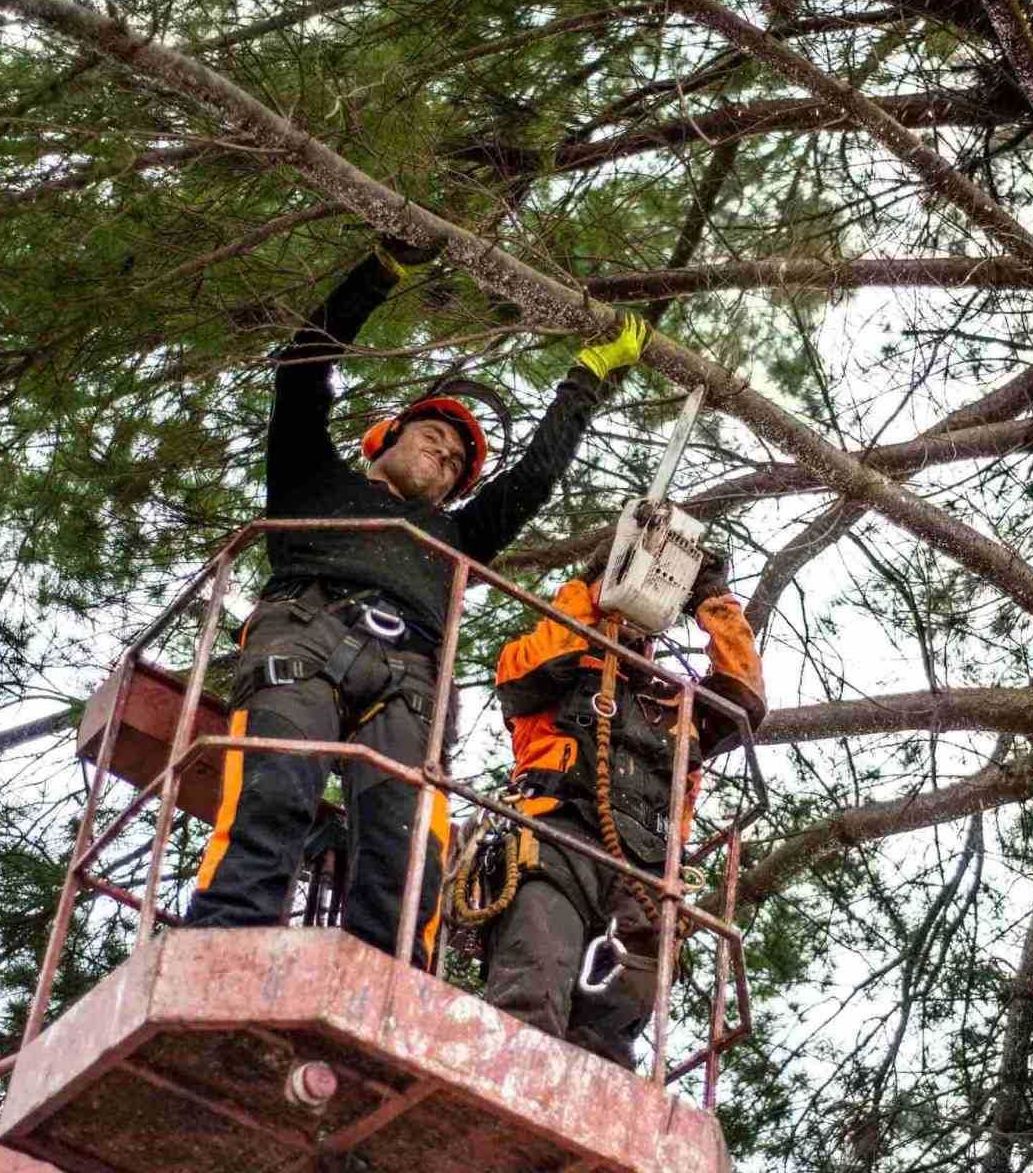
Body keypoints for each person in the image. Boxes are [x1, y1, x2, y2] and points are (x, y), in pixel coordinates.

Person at [186, 237, 650, 974]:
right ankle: (217, 956)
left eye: (458, 463)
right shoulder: (312, 478)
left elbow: (532, 479)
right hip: (302, 637)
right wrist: (379, 271)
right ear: (385, 439)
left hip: (406, 677)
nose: (446, 456)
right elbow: (302, 368)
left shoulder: (458, 535)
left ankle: (386, 982)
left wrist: (587, 378)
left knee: (407, 848)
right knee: (274, 793)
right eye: (434, 438)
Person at [478, 555, 765, 1067]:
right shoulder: (558, 669)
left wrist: (712, 602)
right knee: (534, 980)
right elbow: (540, 663)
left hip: (647, 877)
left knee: (613, 1031)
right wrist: (590, 584)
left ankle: (576, 1135)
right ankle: (501, 1097)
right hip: (556, 842)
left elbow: (745, 697)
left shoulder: (680, 703)